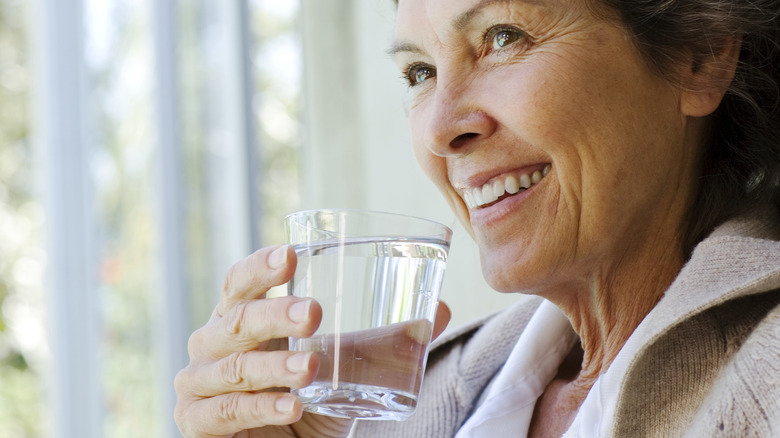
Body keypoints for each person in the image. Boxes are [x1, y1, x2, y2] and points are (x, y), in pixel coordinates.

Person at [173, 0, 780, 436]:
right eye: (420, 72)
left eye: (503, 36)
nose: (441, 128)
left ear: (700, 57)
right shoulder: (387, 411)